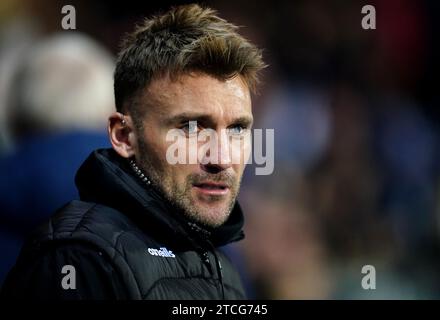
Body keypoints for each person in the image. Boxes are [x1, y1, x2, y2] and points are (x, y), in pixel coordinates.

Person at [1, 4, 265, 299]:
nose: (222, 158)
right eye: (191, 128)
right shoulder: (78, 260)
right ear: (124, 136)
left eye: (237, 129)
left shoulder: (222, 264)